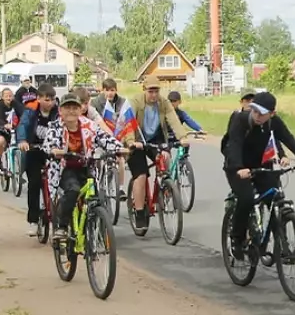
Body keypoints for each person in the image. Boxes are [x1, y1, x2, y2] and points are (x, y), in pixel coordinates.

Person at [222, 91, 295, 258]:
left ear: (272, 114)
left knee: (274, 198)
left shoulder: (274, 123)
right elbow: (234, 145)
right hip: (238, 167)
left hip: (261, 166)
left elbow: (289, 140)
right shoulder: (241, 120)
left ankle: (282, 245)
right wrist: (238, 167)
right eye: (255, 111)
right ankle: (237, 238)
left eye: (262, 113)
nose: (257, 116)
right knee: (246, 198)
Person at [121, 76, 200, 230]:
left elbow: (174, 120)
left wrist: (182, 137)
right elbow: (128, 123)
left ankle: (164, 186)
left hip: (155, 139)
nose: (154, 95)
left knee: (166, 157)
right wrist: (130, 141)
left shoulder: (164, 103)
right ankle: (139, 212)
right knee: (141, 175)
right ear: (144, 90)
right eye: (151, 91)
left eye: (156, 91)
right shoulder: (135, 102)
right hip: (137, 140)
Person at [43, 93, 123, 240]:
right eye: (67, 108)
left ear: (81, 111)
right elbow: (49, 144)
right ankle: (62, 227)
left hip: (86, 167)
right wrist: (56, 151)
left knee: (98, 196)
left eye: (75, 108)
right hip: (64, 169)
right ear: (60, 111)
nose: (71, 111)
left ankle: (95, 229)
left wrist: (119, 148)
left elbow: (104, 138)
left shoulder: (89, 125)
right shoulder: (55, 127)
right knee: (73, 190)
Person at [16, 83, 60, 236]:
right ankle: (33, 221)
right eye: (47, 100)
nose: (50, 103)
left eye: (52, 99)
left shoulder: (58, 111)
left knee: (59, 182)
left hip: (52, 151)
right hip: (33, 149)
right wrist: (22, 141)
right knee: (34, 183)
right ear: (39, 99)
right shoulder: (31, 110)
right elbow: (22, 125)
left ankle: (59, 219)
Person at [0, 88, 20, 169]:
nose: (8, 98)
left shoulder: (16, 104)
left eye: (10, 96)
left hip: (15, 128)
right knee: (0, 142)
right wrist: (5, 125)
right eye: (6, 96)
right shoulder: (0, 105)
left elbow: (22, 113)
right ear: (2, 97)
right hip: (3, 129)